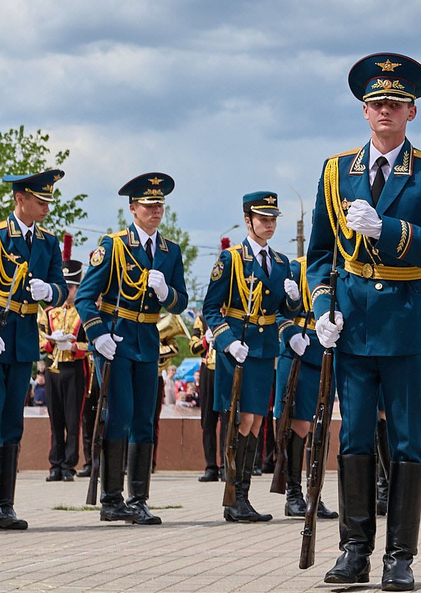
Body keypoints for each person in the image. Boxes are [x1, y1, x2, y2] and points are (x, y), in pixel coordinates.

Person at [307, 52, 421, 591]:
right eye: (376, 103)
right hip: (352, 324)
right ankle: (354, 549)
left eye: (395, 103)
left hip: (406, 321)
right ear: (364, 112)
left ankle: (400, 555)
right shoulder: (335, 171)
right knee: (352, 439)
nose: (384, 111)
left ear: (411, 112)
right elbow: (320, 253)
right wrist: (322, 307)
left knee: (402, 439)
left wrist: (388, 229)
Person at [75, 173, 190, 528]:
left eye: (160, 205)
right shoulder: (113, 246)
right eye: (149, 205)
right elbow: (84, 297)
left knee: (144, 419)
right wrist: (98, 336)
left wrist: (165, 294)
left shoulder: (170, 252)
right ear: (133, 208)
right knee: (120, 415)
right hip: (116, 337)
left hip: (149, 341)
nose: (156, 211)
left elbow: (181, 302)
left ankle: (138, 499)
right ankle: (111, 500)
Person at [0, 167, 65, 532]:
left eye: (49, 202)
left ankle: (6, 503)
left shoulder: (48, 242)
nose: (45, 209)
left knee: (11, 424)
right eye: (39, 201)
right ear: (19, 199)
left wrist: (50, 292)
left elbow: (61, 287)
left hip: (22, 343)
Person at [203, 191, 295, 524]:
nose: (269, 225)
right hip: (237, 349)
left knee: (256, 421)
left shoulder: (282, 262)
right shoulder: (232, 259)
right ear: (248, 220)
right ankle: (234, 497)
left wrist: (294, 300)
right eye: (263, 219)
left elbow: (287, 311)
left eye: (273, 219)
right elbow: (210, 308)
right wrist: (226, 341)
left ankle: (242, 496)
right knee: (241, 421)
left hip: (264, 348)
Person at [275, 253, 335, 521]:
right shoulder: (295, 267)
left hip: (326, 350)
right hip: (299, 347)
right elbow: (274, 311)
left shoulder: (340, 269)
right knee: (298, 425)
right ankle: (293, 494)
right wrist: (289, 334)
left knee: (319, 426)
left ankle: (314, 494)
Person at [42, 280, 87, 481]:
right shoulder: (49, 312)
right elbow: (40, 339)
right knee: (56, 419)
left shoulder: (84, 312)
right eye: (65, 286)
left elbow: (92, 343)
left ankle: (69, 465)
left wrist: (74, 347)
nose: (68, 291)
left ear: (77, 289)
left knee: (72, 419)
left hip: (74, 368)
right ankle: (55, 464)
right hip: (53, 368)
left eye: (71, 287)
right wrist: (52, 343)